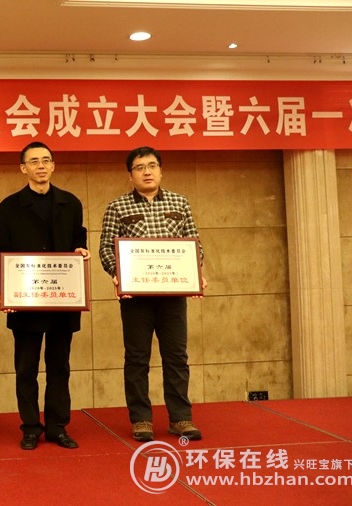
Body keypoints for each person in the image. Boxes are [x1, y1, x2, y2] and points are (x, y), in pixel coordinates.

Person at [98, 146, 205, 443]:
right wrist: (117, 273)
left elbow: (194, 244)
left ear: (160, 170)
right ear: (130, 175)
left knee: (176, 357)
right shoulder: (117, 207)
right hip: (136, 297)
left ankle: (181, 418)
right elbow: (106, 247)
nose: (147, 172)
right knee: (136, 359)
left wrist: (195, 272)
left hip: (173, 294)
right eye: (140, 167)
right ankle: (141, 419)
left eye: (152, 166)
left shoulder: (179, 202)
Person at [0, 141, 89, 450]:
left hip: (62, 300)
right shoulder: (9, 206)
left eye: (46, 160)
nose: (41, 166)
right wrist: (5, 293)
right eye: (34, 161)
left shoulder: (71, 203)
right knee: (26, 368)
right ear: (23, 168)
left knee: (60, 367)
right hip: (26, 301)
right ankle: (31, 427)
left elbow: (78, 241)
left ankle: (57, 427)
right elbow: (1, 253)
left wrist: (80, 252)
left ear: (53, 165)